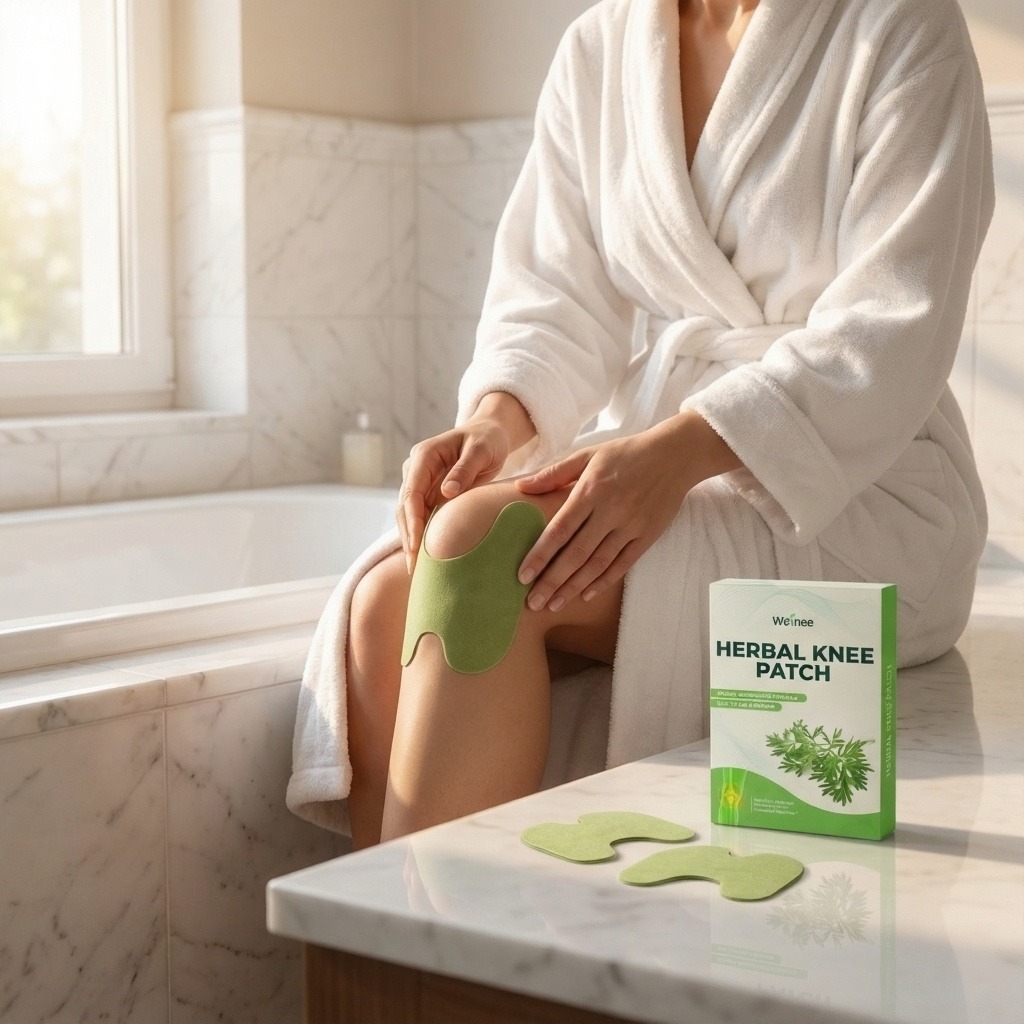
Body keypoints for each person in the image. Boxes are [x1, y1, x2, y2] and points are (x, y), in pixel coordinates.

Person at [287, 0, 994, 851]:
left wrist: (679, 454)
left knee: (480, 546)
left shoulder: (898, 22)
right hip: (668, 445)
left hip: (856, 485)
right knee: (384, 603)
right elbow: (554, 299)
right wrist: (495, 420)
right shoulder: (600, 46)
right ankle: (400, 969)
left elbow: (895, 323)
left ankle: (429, 962)